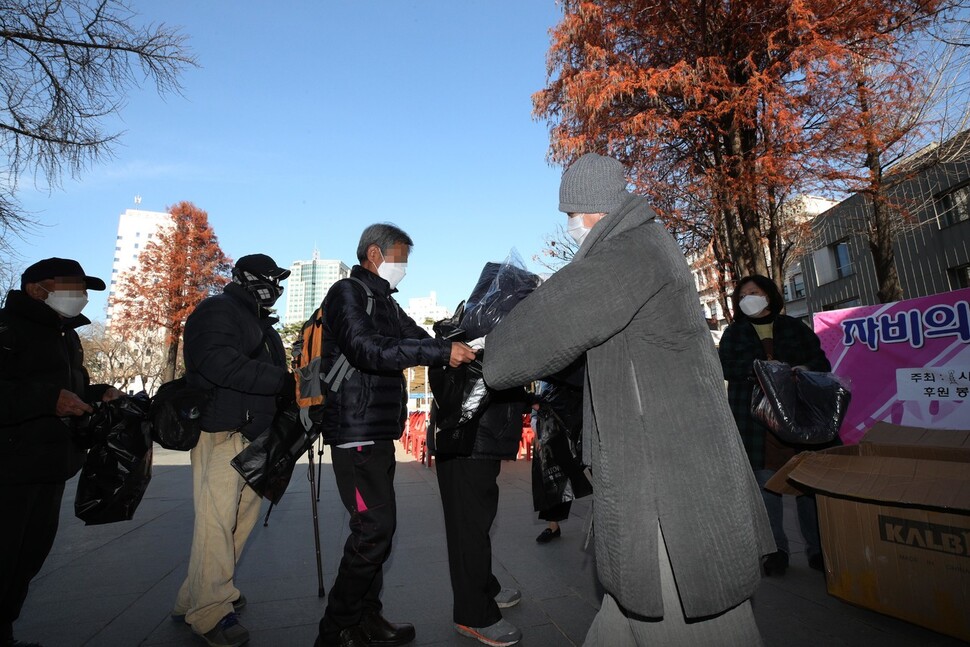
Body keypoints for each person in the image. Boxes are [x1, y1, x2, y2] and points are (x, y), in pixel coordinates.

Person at [483, 153, 773, 646]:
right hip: (662, 464)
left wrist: (488, 341)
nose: (571, 226)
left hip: (667, 482)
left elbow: (536, 335)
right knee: (633, 607)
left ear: (591, 208)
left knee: (686, 609)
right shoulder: (644, 246)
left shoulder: (628, 252)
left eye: (571, 215)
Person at [314, 223, 476, 647]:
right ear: (374, 254)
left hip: (377, 430)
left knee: (377, 531)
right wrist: (438, 352)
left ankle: (367, 619)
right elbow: (367, 350)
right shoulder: (348, 294)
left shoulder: (384, 301)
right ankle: (334, 630)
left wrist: (461, 341)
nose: (404, 267)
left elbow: (417, 338)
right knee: (373, 530)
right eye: (400, 258)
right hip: (354, 430)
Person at [1, 258, 122, 647]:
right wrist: (47, 399)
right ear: (38, 288)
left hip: (53, 465)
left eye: (84, 290)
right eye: (73, 288)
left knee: (27, 559)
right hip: (10, 467)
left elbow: (69, 387)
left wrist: (95, 392)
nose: (81, 297)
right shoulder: (7, 329)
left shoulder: (66, 336)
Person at [172, 253, 292, 647]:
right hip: (224, 430)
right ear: (244, 278)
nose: (275, 286)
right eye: (269, 278)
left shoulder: (261, 324)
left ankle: (196, 595)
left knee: (237, 522)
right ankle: (210, 612)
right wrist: (283, 381)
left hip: (256, 435)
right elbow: (217, 362)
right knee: (217, 522)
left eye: (279, 280)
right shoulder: (218, 310)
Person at [718, 274, 834, 576]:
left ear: (769, 295)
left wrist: (801, 369)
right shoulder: (734, 333)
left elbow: (820, 362)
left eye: (754, 292)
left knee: (806, 484)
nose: (748, 299)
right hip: (754, 419)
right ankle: (775, 550)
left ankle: (818, 549)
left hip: (798, 414)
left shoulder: (794, 327)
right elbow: (724, 366)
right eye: (742, 296)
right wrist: (758, 371)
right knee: (765, 484)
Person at [432, 373, 529, 647]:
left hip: (484, 433)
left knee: (479, 521)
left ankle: (484, 586)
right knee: (468, 528)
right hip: (467, 437)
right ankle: (472, 614)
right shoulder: (472, 331)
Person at [531, 360, 590, 545]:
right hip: (553, 420)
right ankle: (553, 525)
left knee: (597, 465)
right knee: (552, 472)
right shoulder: (544, 358)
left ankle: (612, 514)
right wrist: (535, 421)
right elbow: (541, 389)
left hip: (582, 411)